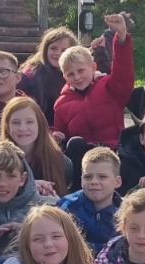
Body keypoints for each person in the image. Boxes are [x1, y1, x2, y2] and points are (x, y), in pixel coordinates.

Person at [54, 14, 135, 162]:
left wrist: (121, 36)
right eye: (71, 74)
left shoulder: (109, 86)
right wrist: (53, 134)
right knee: (75, 144)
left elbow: (123, 67)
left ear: (93, 67)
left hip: (113, 153)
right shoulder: (61, 104)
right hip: (83, 160)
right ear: (65, 77)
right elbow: (60, 134)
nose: (77, 77)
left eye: (81, 71)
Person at [0, 95, 70, 198]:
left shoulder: (61, 163)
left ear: (39, 124)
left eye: (29, 122)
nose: (23, 128)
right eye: (16, 122)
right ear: (7, 127)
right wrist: (28, 186)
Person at [59, 147, 123, 255]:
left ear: (117, 182)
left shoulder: (126, 213)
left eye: (102, 177)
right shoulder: (67, 208)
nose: (94, 182)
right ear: (81, 180)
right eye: (88, 177)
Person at [19, 26, 77, 129]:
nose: (57, 53)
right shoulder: (31, 75)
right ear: (45, 49)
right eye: (53, 48)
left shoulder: (76, 74)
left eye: (63, 50)